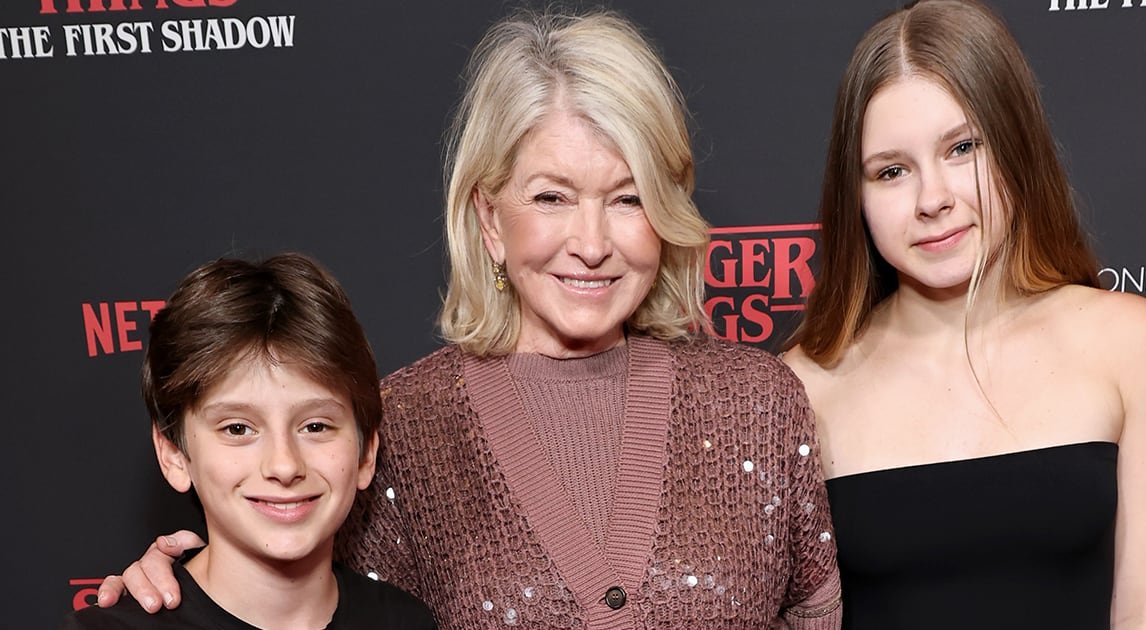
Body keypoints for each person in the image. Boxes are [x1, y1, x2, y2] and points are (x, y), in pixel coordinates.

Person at [95, 10, 842, 629]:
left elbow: (817, 614)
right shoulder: (403, 429)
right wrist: (174, 600)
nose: (591, 243)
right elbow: (302, 600)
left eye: (629, 197)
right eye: (551, 197)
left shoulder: (759, 403)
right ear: (489, 218)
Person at [780, 1, 1146, 628]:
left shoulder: (1124, 338)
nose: (932, 199)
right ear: (855, 195)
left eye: (962, 147)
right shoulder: (802, 387)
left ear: (1017, 145)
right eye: (891, 171)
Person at [66, 254, 437, 629]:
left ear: (366, 452)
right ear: (174, 454)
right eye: (238, 429)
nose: (284, 465)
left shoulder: (406, 622)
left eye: (315, 426)